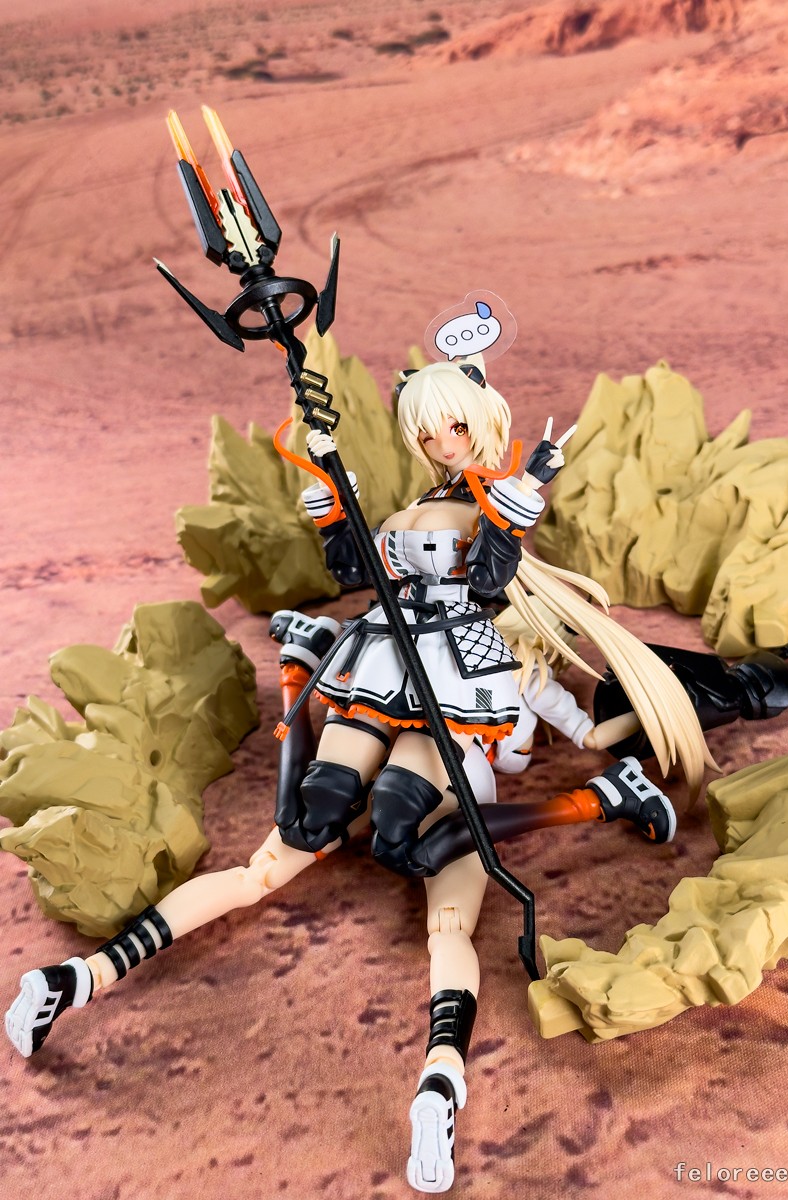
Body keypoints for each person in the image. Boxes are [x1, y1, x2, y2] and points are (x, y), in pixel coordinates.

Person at [5, 354, 710, 1195]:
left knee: (416, 857)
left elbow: (490, 578)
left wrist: (529, 491)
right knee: (298, 831)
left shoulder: (498, 512)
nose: (440, 441)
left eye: (453, 425)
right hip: (375, 669)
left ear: (483, 421)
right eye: (427, 430)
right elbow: (353, 571)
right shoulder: (410, 510)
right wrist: (329, 486)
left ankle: (440, 1083)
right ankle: (75, 979)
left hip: (453, 697)